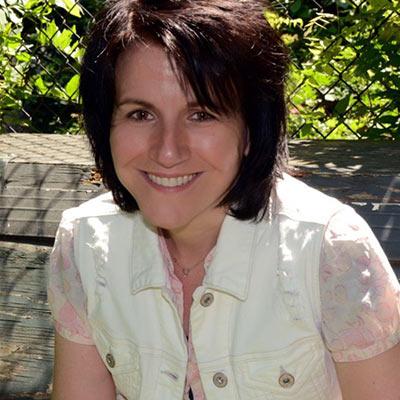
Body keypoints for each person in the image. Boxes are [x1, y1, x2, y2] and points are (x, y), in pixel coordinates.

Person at [47, 0, 400, 399]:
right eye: (140, 114)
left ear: (250, 129)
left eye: (201, 115)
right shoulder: (85, 244)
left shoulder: (331, 252)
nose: (167, 151)